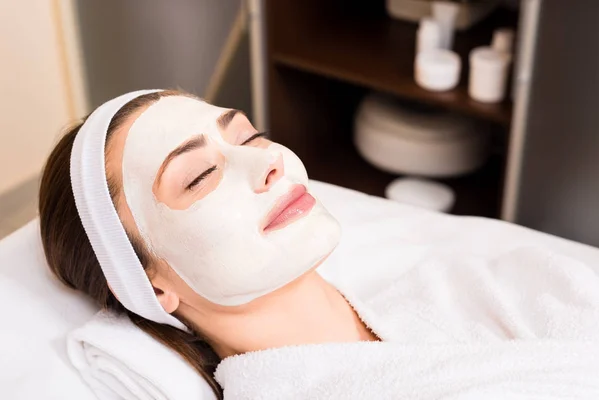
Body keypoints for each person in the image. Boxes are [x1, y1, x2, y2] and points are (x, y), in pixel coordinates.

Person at [39, 89, 379, 399]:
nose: (268, 162)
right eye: (199, 175)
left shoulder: (421, 283)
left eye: (248, 137)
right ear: (150, 287)